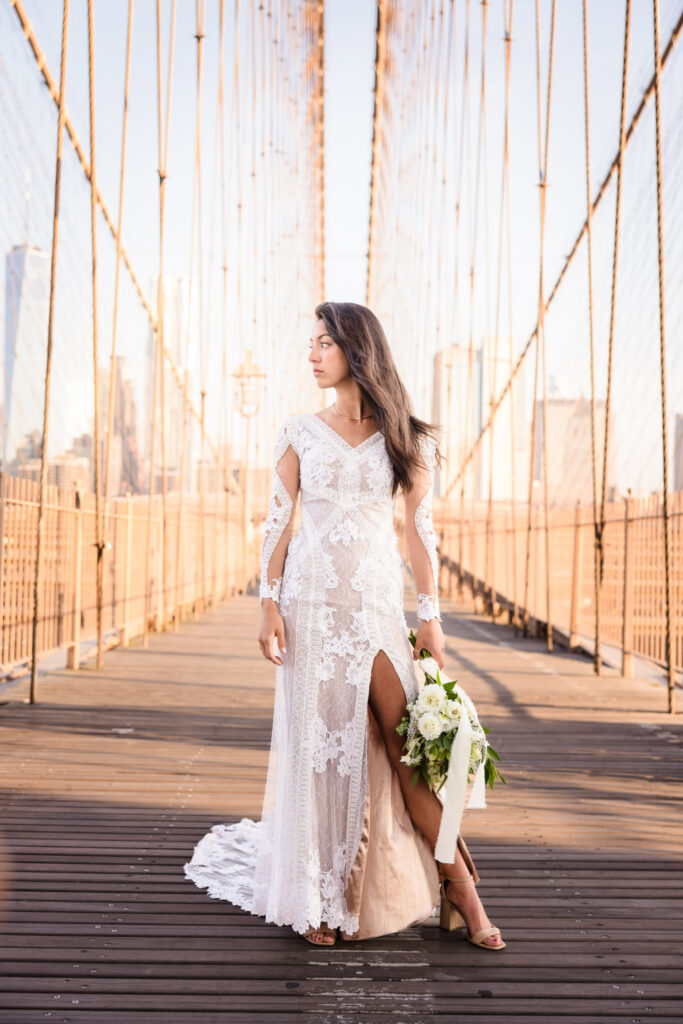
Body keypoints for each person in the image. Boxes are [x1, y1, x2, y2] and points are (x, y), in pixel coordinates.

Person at [184, 301, 505, 951]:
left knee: (407, 753)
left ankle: (462, 892)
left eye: (323, 342)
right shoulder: (298, 430)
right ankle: (316, 899)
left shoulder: (406, 438)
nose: (311, 353)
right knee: (317, 758)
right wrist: (266, 602)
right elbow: (278, 522)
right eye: (310, 342)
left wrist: (431, 617)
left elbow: (420, 534)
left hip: (377, 611)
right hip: (308, 606)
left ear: (356, 351)